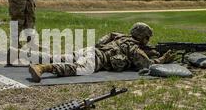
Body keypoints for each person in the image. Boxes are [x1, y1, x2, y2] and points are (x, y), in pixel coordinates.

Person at [29, 23, 176, 83]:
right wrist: (163, 59)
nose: (147, 41)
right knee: (78, 69)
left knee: (61, 57)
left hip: (91, 50)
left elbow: (108, 36)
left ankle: (21, 55)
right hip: (97, 58)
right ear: (142, 37)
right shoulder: (133, 48)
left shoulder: (121, 36)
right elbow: (147, 65)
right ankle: (43, 68)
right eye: (147, 38)